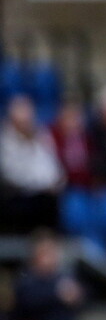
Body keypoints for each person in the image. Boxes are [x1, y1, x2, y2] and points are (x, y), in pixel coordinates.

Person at [0, 94, 65, 234]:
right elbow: (12, 173)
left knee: (53, 202)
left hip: (43, 195)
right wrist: (41, 185)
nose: (26, 124)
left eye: (28, 120)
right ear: (13, 121)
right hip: (17, 195)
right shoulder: (5, 141)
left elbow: (52, 166)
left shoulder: (42, 136)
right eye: (22, 121)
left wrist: (55, 182)